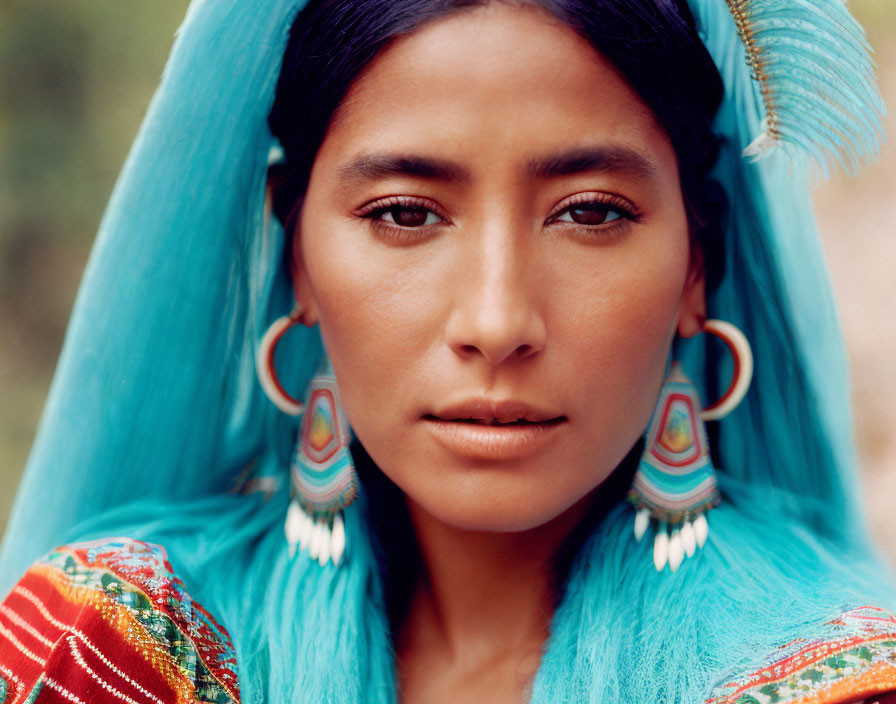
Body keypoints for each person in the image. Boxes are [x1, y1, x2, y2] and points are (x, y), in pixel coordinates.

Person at [0, 0, 894, 702]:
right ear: (298, 255)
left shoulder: (827, 680)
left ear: (699, 265)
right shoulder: (113, 656)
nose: (498, 321)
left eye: (590, 212)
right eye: (404, 214)